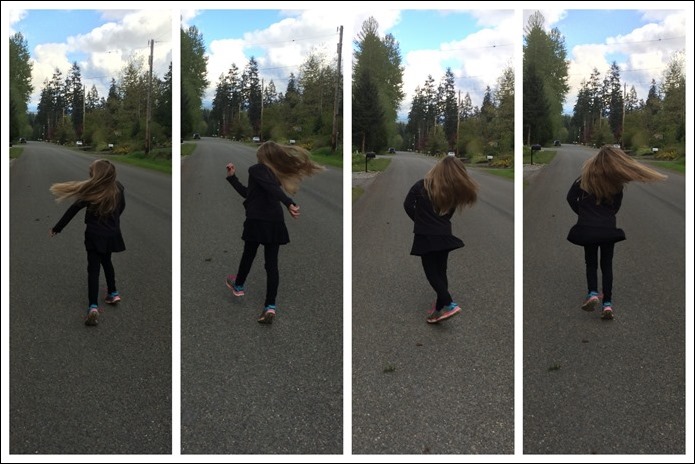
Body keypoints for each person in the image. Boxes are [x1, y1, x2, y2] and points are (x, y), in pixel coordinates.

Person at [225, 141, 323, 324]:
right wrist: (232, 178)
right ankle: (270, 306)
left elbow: (272, 189)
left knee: (248, 255)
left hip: (257, 221)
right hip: (274, 222)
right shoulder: (273, 175)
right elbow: (249, 193)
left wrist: (288, 202)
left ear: (263, 156)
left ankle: (238, 286)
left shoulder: (257, 169)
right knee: (271, 265)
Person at [567, 145, 667, 320]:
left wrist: (583, 213)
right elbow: (616, 206)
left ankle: (592, 293)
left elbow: (570, 198)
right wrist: (607, 217)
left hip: (587, 228)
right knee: (607, 266)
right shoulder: (616, 183)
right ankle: (607, 304)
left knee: (591, 263)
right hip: (608, 229)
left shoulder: (583, 179)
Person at [50, 159, 126, 326]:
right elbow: (121, 207)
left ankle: (93, 307)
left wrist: (57, 228)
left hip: (94, 235)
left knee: (93, 270)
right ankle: (113, 293)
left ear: (95, 175)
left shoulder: (91, 191)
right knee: (107, 262)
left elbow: (72, 210)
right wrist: (113, 221)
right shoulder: (118, 188)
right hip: (111, 234)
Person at [403, 156, 478, 324]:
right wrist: (437, 223)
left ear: (438, 168)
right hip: (444, 234)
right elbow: (448, 214)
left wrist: (420, 221)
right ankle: (438, 308)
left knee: (431, 272)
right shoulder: (451, 191)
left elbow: (407, 205)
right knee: (441, 271)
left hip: (425, 235)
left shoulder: (421, 185)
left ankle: (449, 304)